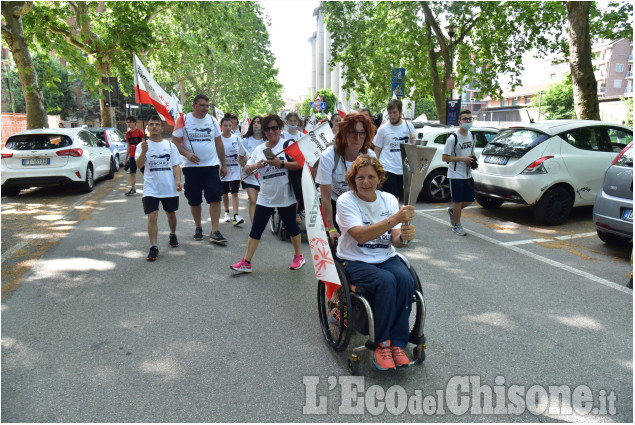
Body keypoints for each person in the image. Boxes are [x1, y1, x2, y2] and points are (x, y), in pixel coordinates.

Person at [336, 154, 416, 370]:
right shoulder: (346, 201)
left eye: (371, 177)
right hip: (355, 259)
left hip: (385, 256)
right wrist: (394, 220)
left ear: (379, 178)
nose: (365, 182)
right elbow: (360, 236)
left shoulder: (389, 199)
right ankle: (381, 343)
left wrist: (405, 237)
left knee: (406, 280)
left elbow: (395, 240)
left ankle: (398, 343)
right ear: (353, 179)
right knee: (386, 281)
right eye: (360, 177)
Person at [230, 114, 306, 273]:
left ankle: (299, 256)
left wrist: (281, 163)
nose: (272, 131)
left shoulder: (288, 145)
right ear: (264, 131)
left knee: (292, 227)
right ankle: (247, 262)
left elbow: (301, 164)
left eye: (275, 128)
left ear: (280, 128)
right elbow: (246, 168)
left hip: (286, 196)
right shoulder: (259, 149)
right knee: (256, 229)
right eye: (268, 128)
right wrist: (256, 164)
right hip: (265, 197)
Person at [171, 94, 228, 243]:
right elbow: (175, 141)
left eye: (207, 106)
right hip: (191, 168)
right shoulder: (183, 120)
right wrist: (187, 154)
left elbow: (219, 142)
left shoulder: (212, 120)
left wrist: (224, 164)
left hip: (211, 166)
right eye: (202, 105)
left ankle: (215, 230)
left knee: (215, 196)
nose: (205, 108)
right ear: (194, 105)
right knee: (194, 200)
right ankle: (198, 227)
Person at [315, 113, 376, 244]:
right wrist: (330, 228)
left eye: (362, 133)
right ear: (344, 134)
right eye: (352, 132)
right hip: (334, 202)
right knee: (335, 245)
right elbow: (325, 197)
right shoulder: (328, 156)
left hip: (358, 202)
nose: (357, 138)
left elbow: (373, 192)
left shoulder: (369, 156)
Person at [135, 115, 183, 261]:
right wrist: (143, 152)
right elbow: (139, 165)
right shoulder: (141, 146)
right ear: (147, 128)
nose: (154, 126)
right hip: (151, 188)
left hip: (168, 187)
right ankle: (154, 247)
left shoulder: (170, 146)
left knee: (171, 214)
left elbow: (175, 165)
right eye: (151, 124)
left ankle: (172, 233)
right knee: (152, 216)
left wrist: (178, 181)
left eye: (157, 124)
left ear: (162, 128)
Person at [373, 99, 415, 201]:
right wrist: (374, 168)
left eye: (395, 112)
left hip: (404, 169)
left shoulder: (409, 127)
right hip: (388, 168)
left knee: (401, 199)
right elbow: (377, 150)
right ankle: (393, 216)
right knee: (393, 199)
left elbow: (415, 148)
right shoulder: (383, 129)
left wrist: (413, 140)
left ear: (400, 113)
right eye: (390, 113)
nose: (392, 116)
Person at [442, 109, 476, 236]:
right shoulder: (453, 138)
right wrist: (462, 159)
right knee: (458, 200)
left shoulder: (471, 135)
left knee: (470, 200)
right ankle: (457, 225)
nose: (468, 121)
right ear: (459, 121)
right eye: (465, 119)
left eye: (470, 119)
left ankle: (453, 211)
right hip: (455, 174)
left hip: (467, 173)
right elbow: (445, 157)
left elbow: (471, 152)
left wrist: (472, 160)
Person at [219, 113, 244, 226]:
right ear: (221, 126)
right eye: (225, 125)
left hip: (235, 170)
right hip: (222, 171)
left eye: (230, 125)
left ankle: (236, 215)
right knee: (224, 194)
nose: (228, 127)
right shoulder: (218, 139)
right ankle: (226, 212)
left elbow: (242, 154)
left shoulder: (237, 139)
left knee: (235, 193)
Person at [238, 116, 263, 223]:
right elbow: (240, 159)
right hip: (249, 176)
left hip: (262, 176)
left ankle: (259, 221)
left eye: (258, 122)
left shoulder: (267, 141)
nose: (256, 124)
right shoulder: (245, 141)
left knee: (259, 201)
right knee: (252, 200)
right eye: (254, 123)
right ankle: (254, 228)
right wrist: (246, 167)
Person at [124, 116, 146, 196]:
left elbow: (144, 143)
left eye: (130, 122)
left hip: (140, 155)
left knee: (144, 171)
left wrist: (144, 153)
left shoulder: (140, 132)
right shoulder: (128, 134)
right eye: (127, 122)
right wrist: (126, 158)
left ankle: (148, 186)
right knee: (132, 172)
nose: (128, 124)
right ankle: (133, 188)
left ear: (134, 123)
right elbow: (128, 146)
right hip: (132, 156)